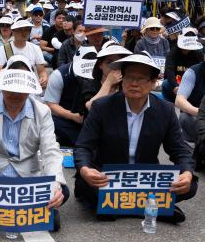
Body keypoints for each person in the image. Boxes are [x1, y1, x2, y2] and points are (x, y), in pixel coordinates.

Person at [74, 53, 196, 223]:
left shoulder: (165, 110)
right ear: (122, 80)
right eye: (129, 77)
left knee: (190, 186)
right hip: (109, 177)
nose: (134, 83)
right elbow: (83, 147)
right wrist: (86, 169)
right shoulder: (102, 107)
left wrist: (187, 174)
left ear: (153, 83)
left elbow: (179, 150)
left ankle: (115, 207)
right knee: (83, 184)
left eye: (141, 79)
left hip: (144, 178)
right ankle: (154, 207)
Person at [0, 55, 68, 233]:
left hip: (27, 177)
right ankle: (34, 214)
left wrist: (55, 185)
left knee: (63, 191)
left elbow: (50, 151)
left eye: (22, 89)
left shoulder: (42, 111)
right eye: (11, 88)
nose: (16, 94)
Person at [44, 45, 97, 147]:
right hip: (66, 118)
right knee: (51, 121)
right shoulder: (59, 75)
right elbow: (51, 104)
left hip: (92, 118)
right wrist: (73, 116)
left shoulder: (98, 73)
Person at [0, 19, 48, 88]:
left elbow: (41, 71)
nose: (24, 33)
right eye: (20, 30)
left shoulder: (35, 48)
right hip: (10, 86)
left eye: (27, 30)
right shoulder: (3, 49)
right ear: (13, 32)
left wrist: (44, 78)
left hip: (29, 85)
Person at [80, 41, 132, 112]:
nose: (115, 67)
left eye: (119, 62)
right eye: (109, 62)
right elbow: (91, 107)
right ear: (100, 65)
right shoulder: (90, 84)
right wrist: (108, 82)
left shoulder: (126, 85)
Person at [162, 28, 203, 103]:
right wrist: (175, 86)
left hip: (192, 84)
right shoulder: (173, 53)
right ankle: (169, 102)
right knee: (165, 83)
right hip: (176, 83)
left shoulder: (198, 54)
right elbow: (169, 70)